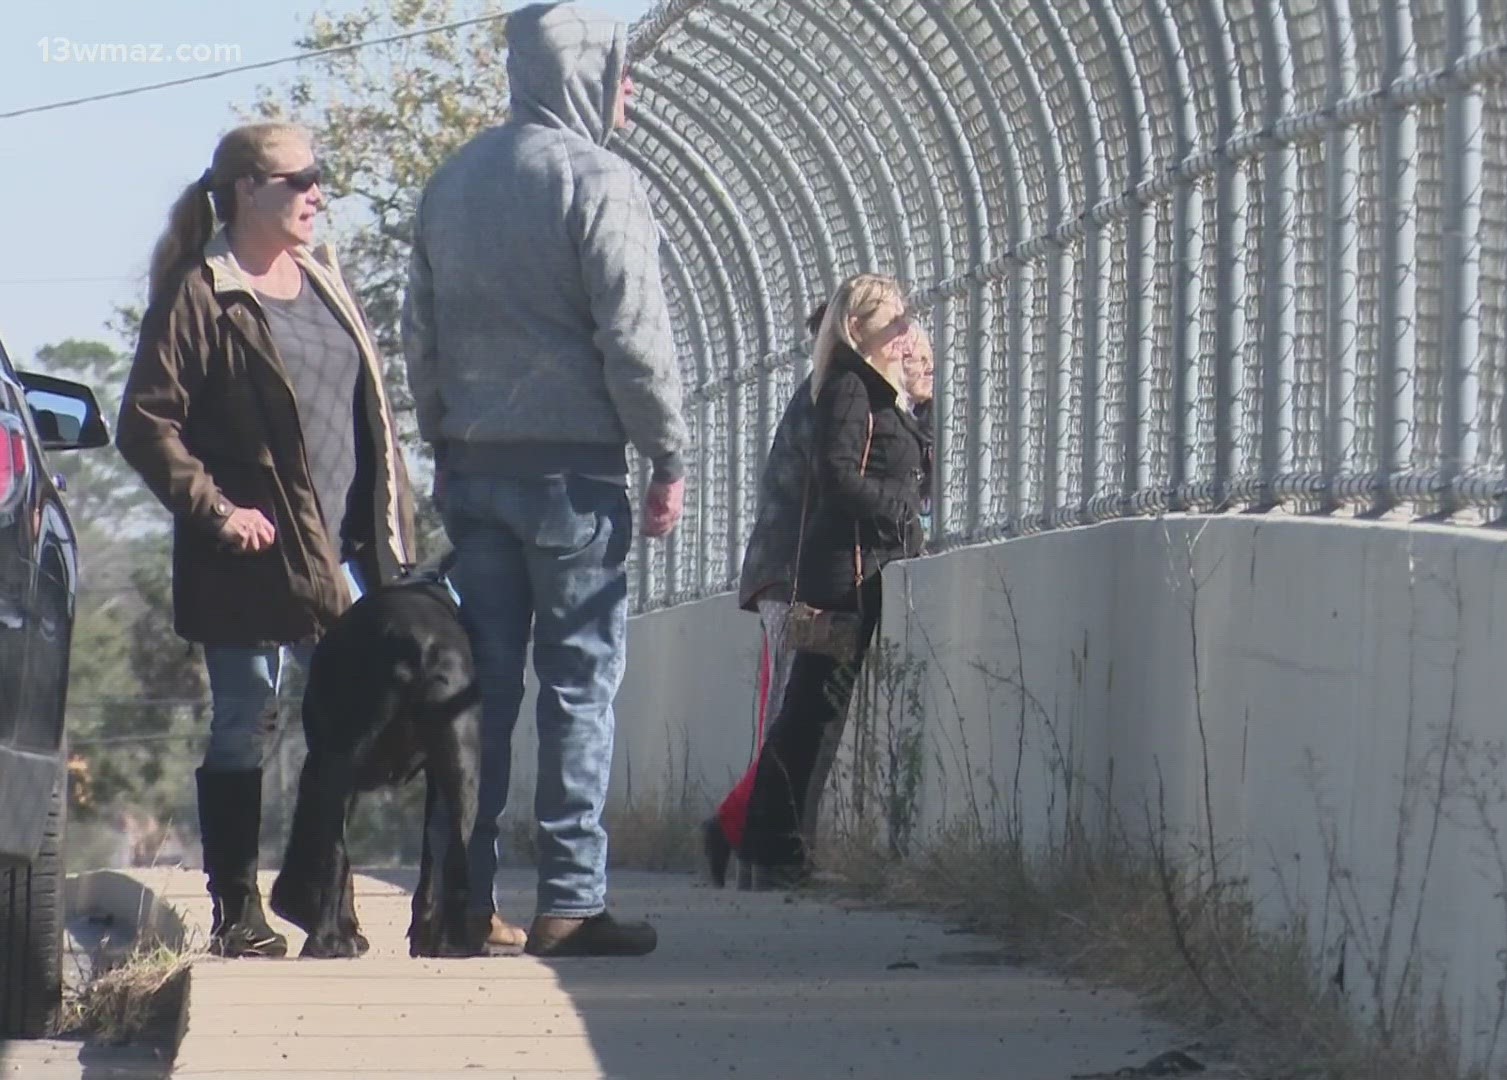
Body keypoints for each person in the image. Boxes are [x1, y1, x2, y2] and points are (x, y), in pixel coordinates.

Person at [402, 0, 687, 957]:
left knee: (477, 690)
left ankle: (461, 900)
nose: (629, 92)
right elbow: (634, 341)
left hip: (474, 474)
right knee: (579, 687)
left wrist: (441, 437)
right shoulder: (598, 180)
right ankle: (570, 899)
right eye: (620, 72)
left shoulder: (453, 182)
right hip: (574, 477)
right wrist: (668, 454)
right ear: (591, 76)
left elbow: (421, 337)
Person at [117, 121, 417, 957]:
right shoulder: (200, 290)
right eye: (300, 178)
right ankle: (236, 908)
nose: (317, 192)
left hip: (342, 555)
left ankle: (326, 902)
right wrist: (216, 509)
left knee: (346, 725)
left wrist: (392, 529)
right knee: (246, 719)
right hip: (246, 558)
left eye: (321, 178)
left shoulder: (325, 280)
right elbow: (145, 424)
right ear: (248, 189)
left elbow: (369, 421)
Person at [704, 310, 935, 889]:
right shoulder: (835, 396)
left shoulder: (834, 394)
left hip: (792, 569)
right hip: (795, 572)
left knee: (800, 710)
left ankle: (757, 838)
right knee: (800, 711)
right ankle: (752, 835)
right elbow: (830, 482)